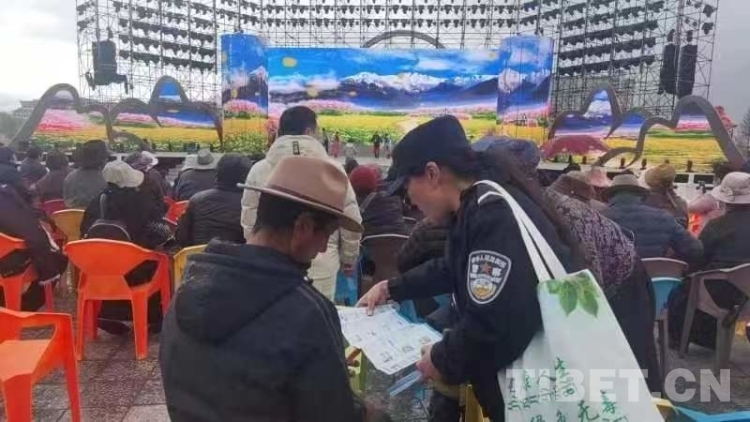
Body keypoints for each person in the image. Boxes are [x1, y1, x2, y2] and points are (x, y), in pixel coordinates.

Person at [357, 116, 581, 420]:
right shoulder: (478, 205)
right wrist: (391, 288)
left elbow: (494, 325)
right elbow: (454, 268)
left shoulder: (492, 216)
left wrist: (441, 358)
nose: (408, 198)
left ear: (433, 174)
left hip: (537, 389)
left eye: (407, 185)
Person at [161, 156, 389, 422]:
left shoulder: (188, 287)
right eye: (326, 235)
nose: (322, 248)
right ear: (303, 226)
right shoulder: (307, 313)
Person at [241, 106, 362, 301]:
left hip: (270, 265)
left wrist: (257, 255)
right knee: (318, 314)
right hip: (322, 266)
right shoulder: (334, 170)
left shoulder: (259, 169)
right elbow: (350, 216)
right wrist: (349, 258)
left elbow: (250, 221)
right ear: (309, 131)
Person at [81, 160, 171, 334]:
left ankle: (109, 314)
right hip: (135, 269)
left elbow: (84, 231)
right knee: (157, 263)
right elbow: (163, 232)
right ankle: (152, 317)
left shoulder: (97, 201)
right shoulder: (141, 201)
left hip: (100, 269)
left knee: (116, 261)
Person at [670, 172, 750, 350]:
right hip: (746, 295)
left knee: (681, 289)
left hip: (720, 293)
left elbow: (698, 256)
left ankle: (678, 340)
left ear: (726, 201)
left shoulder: (717, 225)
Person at [601, 174, 703, 262]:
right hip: (654, 276)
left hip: (611, 277)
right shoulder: (662, 217)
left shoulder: (599, 218)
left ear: (610, 196)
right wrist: (669, 259)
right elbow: (695, 250)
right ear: (640, 195)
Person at [0, 183, 67, 310]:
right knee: (56, 259)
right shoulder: (5, 196)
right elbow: (29, 230)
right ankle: (24, 307)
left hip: (7, 257)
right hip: (9, 263)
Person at [176, 154, 252, 246]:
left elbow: (181, 238)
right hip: (239, 254)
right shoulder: (252, 203)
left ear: (217, 174)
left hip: (200, 254)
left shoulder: (197, 200)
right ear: (248, 176)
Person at [349, 165, 408, 239]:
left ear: (352, 186)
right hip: (402, 243)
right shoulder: (394, 199)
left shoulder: (351, 209)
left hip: (368, 244)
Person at [688, 162, 732, 233]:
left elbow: (691, 207)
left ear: (718, 180)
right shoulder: (737, 195)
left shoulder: (712, 197)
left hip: (709, 233)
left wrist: (700, 193)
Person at [63, 140, 109, 209]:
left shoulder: (70, 177)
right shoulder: (106, 177)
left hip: (72, 215)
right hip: (96, 215)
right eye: (106, 157)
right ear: (102, 159)